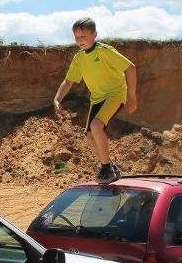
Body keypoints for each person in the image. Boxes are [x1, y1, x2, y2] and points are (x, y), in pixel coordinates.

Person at [53, 17, 137, 183]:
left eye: (83, 36)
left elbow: (130, 68)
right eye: (76, 37)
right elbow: (68, 81)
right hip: (97, 98)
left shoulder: (105, 51)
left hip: (115, 94)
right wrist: (57, 99)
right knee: (90, 137)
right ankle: (111, 167)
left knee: (96, 125)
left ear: (94, 35)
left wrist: (132, 96)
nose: (79, 40)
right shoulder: (79, 58)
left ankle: (106, 168)